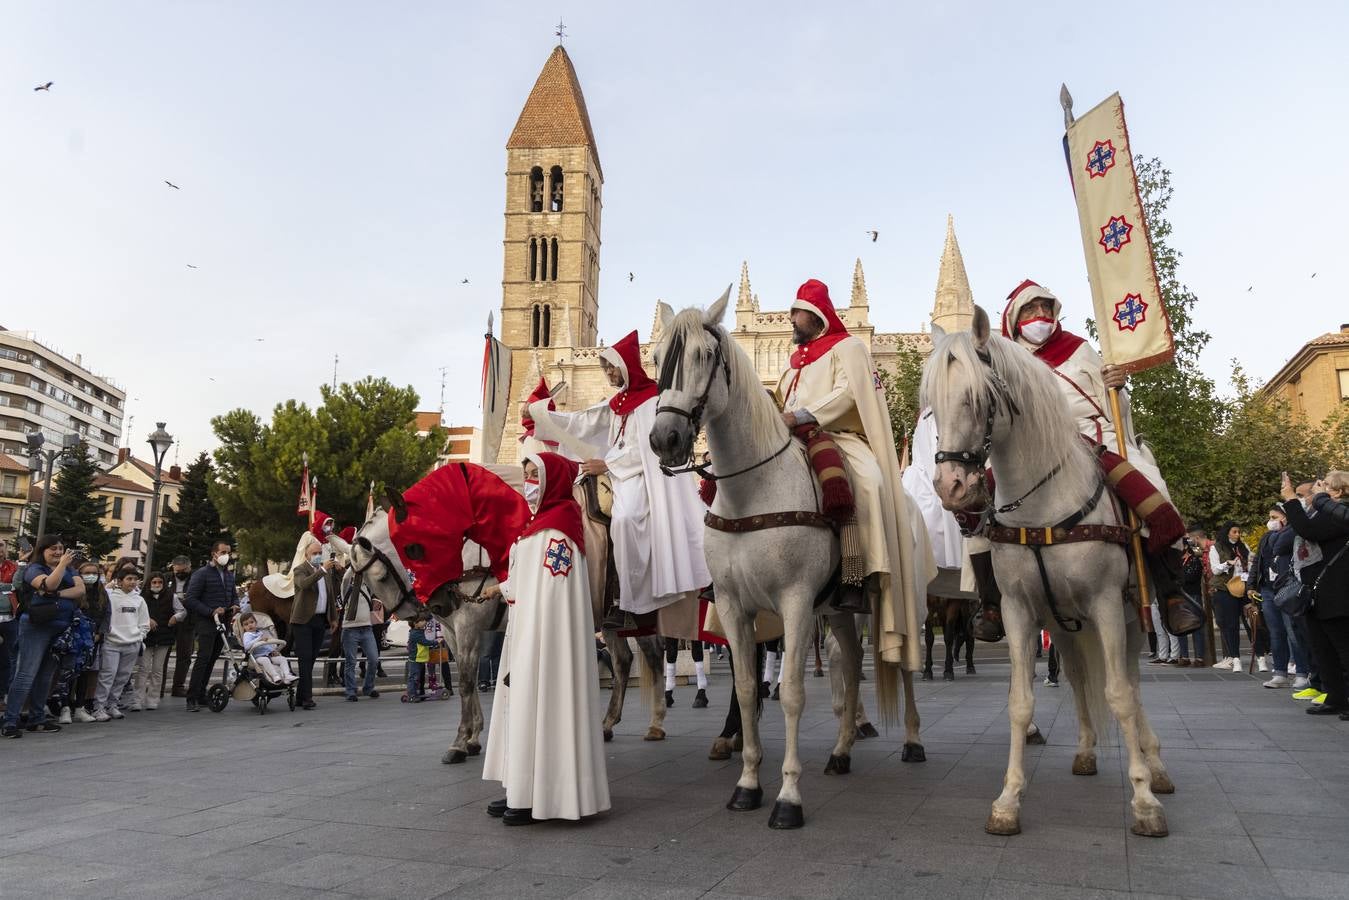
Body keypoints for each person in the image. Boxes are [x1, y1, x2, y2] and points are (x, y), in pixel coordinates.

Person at [980, 280, 1187, 641]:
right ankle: (992, 603)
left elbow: (1113, 411)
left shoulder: (1080, 350)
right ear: (1014, 319)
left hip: (1090, 435)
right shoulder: (1004, 360)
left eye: (1046, 308)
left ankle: (1172, 594)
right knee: (976, 500)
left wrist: (1117, 387)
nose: (1040, 316)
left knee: (1151, 484)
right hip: (1030, 445)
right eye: (1031, 310)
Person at [775, 279, 931, 665]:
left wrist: (803, 414)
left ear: (816, 316)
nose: (792, 320)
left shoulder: (848, 348)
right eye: (791, 312)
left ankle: (863, 572)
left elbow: (848, 394)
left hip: (838, 435)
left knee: (870, 481)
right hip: (790, 438)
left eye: (798, 313)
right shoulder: (794, 361)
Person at [528, 330, 710, 628]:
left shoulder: (652, 401)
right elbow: (582, 421)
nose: (608, 373)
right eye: (605, 368)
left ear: (626, 366)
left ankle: (630, 601)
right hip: (617, 473)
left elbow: (648, 450)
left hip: (641, 477)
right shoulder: (617, 403)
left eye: (611, 367)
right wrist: (540, 415)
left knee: (626, 519)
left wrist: (606, 464)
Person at [482, 452, 609, 825]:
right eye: (524, 475)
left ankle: (546, 797)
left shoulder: (559, 530)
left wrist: (536, 641)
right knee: (520, 708)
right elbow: (529, 583)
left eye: (534, 475)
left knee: (541, 707)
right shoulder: (539, 528)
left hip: (544, 640)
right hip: (525, 630)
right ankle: (521, 789)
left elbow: (553, 595)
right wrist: (499, 590)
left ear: (552, 480)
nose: (528, 483)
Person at [1280, 472, 1349, 716]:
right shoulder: (1320, 512)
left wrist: (1290, 500)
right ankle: (1335, 697)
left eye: (1325, 485)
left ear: (1339, 492)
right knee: (1323, 649)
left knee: (1342, 648)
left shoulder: (1339, 514)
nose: (1317, 490)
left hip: (1337, 592)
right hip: (1316, 593)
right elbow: (1289, 538)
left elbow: (1309, 530)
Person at [2, 535, 84, 737]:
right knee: (26, 673)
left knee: (46, 676)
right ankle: (10, 720)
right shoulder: (34, 569)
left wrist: (55, 594)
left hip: (60, 627)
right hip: (36, 626)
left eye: (60, 548)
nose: (57, 552)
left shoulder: (70, 569)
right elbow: (49, 584)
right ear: (42, 551)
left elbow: (80, 589)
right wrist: (61, 567)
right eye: (52, 549)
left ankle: (36, 718)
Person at [1250, 504, 1303, 688]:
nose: (1271, 521)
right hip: (1268, 589)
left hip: (1287, 588)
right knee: (1276, 632)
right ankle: (1279, 672)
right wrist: (1252, 584)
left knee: (1293, 632)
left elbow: (1282, 549)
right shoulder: (1267, 537)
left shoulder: (1292, 534)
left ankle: (1302, 671)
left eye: (1275, 517)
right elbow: (1258, 561)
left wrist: (1281, 532)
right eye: (1270, 517)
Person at [184, 540, 237, 712]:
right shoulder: (202, 574)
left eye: (228, 552)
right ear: (214, 554)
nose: (226, 556)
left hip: (223, 623)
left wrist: (234, 605)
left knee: (212, 659)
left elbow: (233, 596)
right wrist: (210, 611)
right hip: (206, 622)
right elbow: (190, 599)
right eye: (222, 552)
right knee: (203, 658)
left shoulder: (229, 575)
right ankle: (191, 697)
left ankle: (201, 694)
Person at [92, 568, 149, 721]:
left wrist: (140, 636)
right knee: (107, 675)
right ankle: (99, 707)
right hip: (112, 642)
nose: (132, 582)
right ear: (119, 581)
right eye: (129, 578)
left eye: (135, 579)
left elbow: (144, 622)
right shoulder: (110, 597)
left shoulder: (139, 600)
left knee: (122, 677)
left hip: (132, 644)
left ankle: (113, 705)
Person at [290, 536, 339, 710]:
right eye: (314, 553)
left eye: (320, 553)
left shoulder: (324, 572)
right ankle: (307, 698)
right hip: (303, 620)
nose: (318, 556)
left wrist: (333, 618)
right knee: (304, 659)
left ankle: (300, 696)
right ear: (306, 555)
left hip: (319, 620)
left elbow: (330, 596)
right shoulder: (300, 569)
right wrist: (322, 571)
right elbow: (304, 584)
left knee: (311, 659)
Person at [1209, 523, 1250, 671]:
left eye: (1239, 532)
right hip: (1225, 588)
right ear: (1227, 533)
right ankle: (1234, 657)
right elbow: (1215, 569)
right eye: (1234, 531)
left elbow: (1249, 565)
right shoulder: (1217, 547)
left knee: (1251, 622)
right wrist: (1227, 563)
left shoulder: (1243, 547)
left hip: (1243, 587)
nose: (1237, 534)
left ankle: (1260, 656)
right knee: (1230, 624)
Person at [132, 571, 176, 710]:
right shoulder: (141, 597)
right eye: (154, 582)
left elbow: (181, 611)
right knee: (143, 669)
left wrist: (176, 617)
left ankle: (153, 699)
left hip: (164, 636)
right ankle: (137, 700)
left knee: (157, 669)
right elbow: (135, 614)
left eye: (160, 582)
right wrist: (147, 620)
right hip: (147, 637)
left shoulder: (171, 596)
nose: (157, 585)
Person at [338, 569, 381, 701]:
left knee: (374, 659)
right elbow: (345, 578)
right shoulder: (347, 588)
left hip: (367, 628)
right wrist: (354, 565)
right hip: (350, 630)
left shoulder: (368, 588)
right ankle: (350, 691)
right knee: (351, 662)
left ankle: (368, 687)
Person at [1174, 525, 1208, 666]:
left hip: (1193, 594)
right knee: (1181, 627)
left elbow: (1192, 575)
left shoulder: (1194, 556)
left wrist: (1179, 577)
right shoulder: (1177, 559)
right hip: (1180, 594)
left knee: (1197, 626)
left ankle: (1199, 657)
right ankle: (1184, 656)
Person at [238, 612, 296, 684]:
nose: (249, 625)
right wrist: (258, 639)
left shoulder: (261, 632)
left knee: (282, 659)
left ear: (256, 623)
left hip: (269, 655)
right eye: (246, 624)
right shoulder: (247, 635)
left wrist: (273, 651)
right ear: (243, 627)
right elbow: (247, 646)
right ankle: (275, 676)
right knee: (265, 660)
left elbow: (267, 645)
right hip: (257, 657)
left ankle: (287, 675)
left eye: (251, 622)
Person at [168, 556, 194, 697]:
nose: (180, 573)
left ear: (189, 568)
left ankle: (178, 686)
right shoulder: (166, 578)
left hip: (188, 622)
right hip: (168, 620)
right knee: (163, 654)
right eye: (177, 571)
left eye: (183, 570)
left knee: (184, 655)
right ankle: (159, 687)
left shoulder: (195, 579)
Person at [405, 611, 436, 702]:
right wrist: (435, 642)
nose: (424, 622)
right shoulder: (415, 633)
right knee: (414, 677)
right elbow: (424, 642)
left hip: (419, 658)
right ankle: (411, 695)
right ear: (415, 623)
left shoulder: (418, 631)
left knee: (416, 677)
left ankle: (415, 693)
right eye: (421, 621)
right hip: (415, 659)